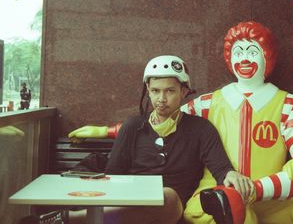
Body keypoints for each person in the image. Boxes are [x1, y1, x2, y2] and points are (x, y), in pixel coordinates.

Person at [69, 22, 293, 224]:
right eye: (238, 52)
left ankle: (251, 192)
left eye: (253, 51)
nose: (245, 59)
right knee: (229, 205)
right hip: (217, 199)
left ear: (267, 55)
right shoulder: (208, 104)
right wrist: (106, 131)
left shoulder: (289, 104)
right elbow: (156, 121)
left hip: (271, 197)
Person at [69, 55, 252, 224]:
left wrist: (230, 174)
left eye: (170, 91)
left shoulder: (201, 129)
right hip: (130, 202)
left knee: (167, 197)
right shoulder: (133, 126)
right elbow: (114, 175)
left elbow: (221, 168)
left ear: (184, 91)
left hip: (172, 208)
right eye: (155, 91)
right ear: (148, 90)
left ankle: (69, 219)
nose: (161, 99)